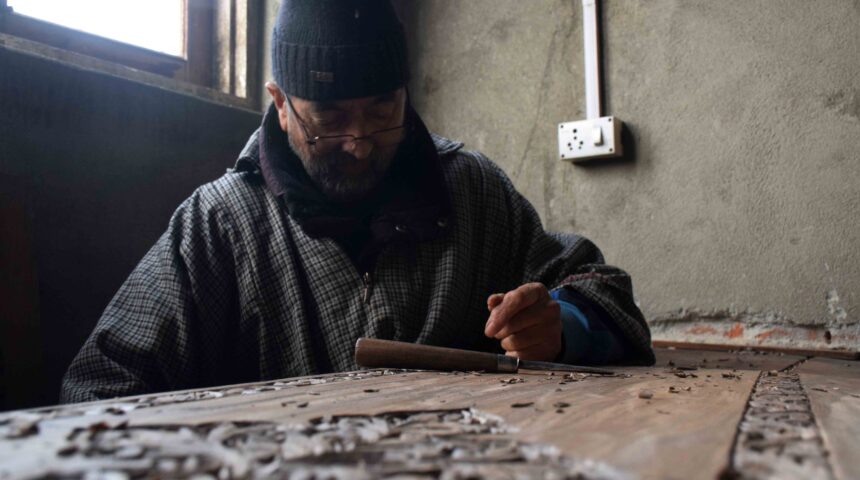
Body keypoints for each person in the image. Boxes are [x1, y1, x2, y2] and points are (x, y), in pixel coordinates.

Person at [61, 0, 654, 403]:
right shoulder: (219, 224)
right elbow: (99, 388)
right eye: (329, 118)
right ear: (279, 103)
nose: (360, 142)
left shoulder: (471, 190)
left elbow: (604, 291)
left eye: (382, 112)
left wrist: (560, 326)